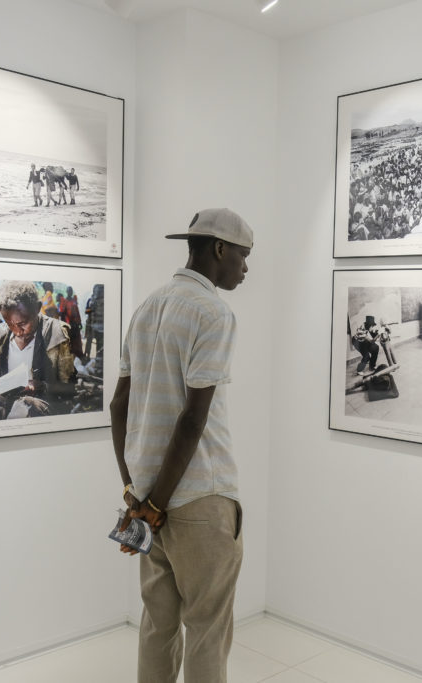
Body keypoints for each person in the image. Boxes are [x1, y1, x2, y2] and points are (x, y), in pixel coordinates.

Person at [111, 208, 251, 683]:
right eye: (243, 256)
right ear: (219, 249)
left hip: (150, 494)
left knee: (157, 626)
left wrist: (136, 493)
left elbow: (118, 406)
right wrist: (156, 503)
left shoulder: (147, 306)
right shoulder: (213, 311)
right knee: (207, 630)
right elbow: (193, 420)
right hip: (198, 498)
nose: (245, 268)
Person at [0, 280, 75, 421]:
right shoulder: (0, 334)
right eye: (9, 324)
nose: (17, 332)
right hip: (6, 400)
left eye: (22, 324)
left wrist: (43, 386)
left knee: (25, 407)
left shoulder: (57, 333)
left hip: (41, 403)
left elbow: (71, 388)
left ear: (37, 308)